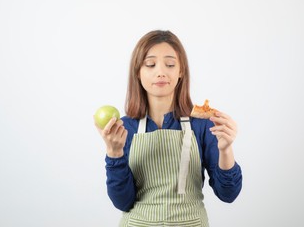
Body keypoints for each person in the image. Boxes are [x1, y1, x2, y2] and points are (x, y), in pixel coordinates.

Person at [94, 30, 242, 227]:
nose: (161, 72)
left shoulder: (202, 124)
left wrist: (225, 150)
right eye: (150, 64)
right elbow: (123, 201)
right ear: (138, 72)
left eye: (170, 64)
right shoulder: (124, 127)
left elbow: (228, 195)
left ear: (181, 71)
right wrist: (114, 153)